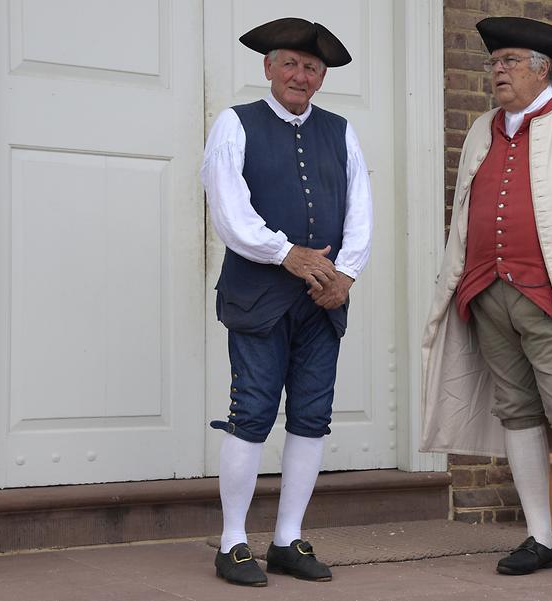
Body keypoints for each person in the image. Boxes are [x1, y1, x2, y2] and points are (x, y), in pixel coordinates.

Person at [421, 17, 552, 589]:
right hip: (487, 294)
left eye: (510, 61)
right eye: (494, 62)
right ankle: (540, 536)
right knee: (517, 412)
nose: (497, 71)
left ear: (542, 68)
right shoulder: (480, 129)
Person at [201, 17, 372, 587]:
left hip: (324, 300)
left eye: (312, 69)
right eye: (291, 64)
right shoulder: (236, 123)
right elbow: (229, 210)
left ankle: (287, 539)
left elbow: (360, 209)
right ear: (269, 68)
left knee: (311, 416)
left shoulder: (341, 131)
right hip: (259, 297)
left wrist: (344, 274)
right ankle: (232, 543)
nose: (301, 75)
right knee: (251, 413)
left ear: (322, 79)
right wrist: (285, 253)